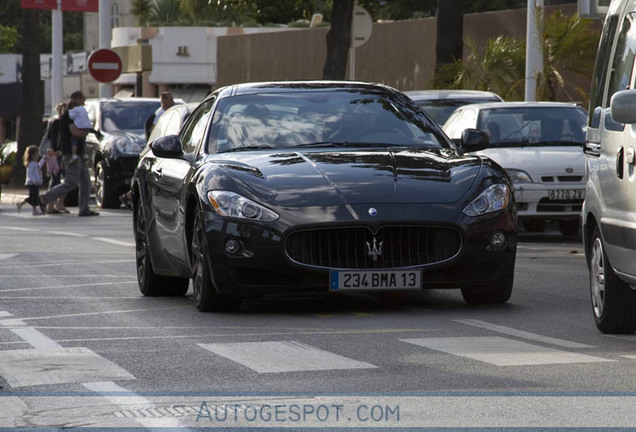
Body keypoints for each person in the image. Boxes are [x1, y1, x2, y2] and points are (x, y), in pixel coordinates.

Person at [40, 91, 99, 217]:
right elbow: (75, 133)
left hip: (80, 154)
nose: (84, 103)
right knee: (71, 182)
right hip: (72, 155)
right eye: (82, 99)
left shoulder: (77, 116)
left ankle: (84, 209)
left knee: (86, 183)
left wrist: (90, 130)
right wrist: (85, 132)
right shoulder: (68, 117)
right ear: (77, 100)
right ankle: (44, 198)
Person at [42, 102, 70, 214]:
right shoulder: (56, 122)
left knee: (67, 181)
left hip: (63, 154)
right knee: (55, 180)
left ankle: (60, 203)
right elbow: (53, 139)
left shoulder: (66, 122)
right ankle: (50, 204)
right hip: (56, 155)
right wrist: (56, 151)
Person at [17, 145, 46, 216]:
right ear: (33, 155)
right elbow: (31, 174)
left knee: (34, 197)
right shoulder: (31, 164)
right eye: (37, 154)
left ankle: (34, 210)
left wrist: (44, 159)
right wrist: (35, 181)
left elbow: (39, 166)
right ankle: (21, 204)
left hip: (35, 183)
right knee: (33, 197)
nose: (38, 156)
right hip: (32, 183)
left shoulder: (34, 163)